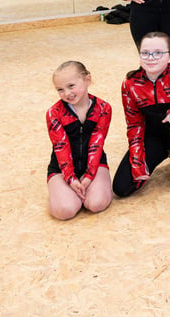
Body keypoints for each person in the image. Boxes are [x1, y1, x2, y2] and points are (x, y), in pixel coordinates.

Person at [112, 32, 170, 198]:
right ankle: (168, 151)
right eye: (145, 53)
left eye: (158, 53)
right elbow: (134, 124)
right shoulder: (130, 84)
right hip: (154, 136)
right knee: (122, 188)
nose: (151, 57)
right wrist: (136, 158)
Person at [46, 61, 112, 220]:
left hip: (94, 163)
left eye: (71, 86)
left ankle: (88, 190)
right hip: (62, 167)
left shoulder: (103, 108)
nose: (67, 93)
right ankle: (64, 193)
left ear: (87, 80)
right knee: (65, 211)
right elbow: (61, 147)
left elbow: (97, 142)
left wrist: (89, 175)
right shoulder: (54, 113)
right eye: (60, 89)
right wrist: (70, 178)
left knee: (97, 204)